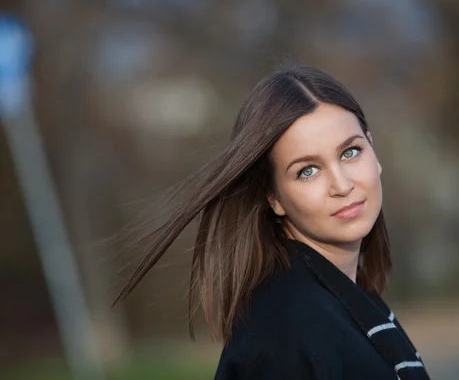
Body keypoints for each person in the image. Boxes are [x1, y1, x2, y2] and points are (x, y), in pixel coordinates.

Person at [113, 65, 430, 379]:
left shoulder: (342, 300)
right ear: (273, 197)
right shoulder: (287, 329)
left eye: (350, 152)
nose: (342, 184)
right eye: (308, 170)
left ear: (373, 150)